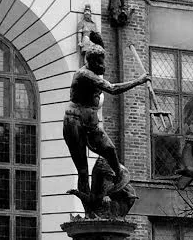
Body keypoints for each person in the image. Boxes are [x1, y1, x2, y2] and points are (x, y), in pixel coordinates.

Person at [62, 34, 150, 209]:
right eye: (100, 62)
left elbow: (101, 63)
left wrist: (100, 42)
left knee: (109, 149)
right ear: (92, 62)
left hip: (90, 122)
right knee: (82, 170)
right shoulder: (84, 75)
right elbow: (112, 89)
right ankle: (89, 208)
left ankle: (118, 177)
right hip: (74, 122)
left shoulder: (94, 70)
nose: (104, 66)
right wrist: (139, 81)